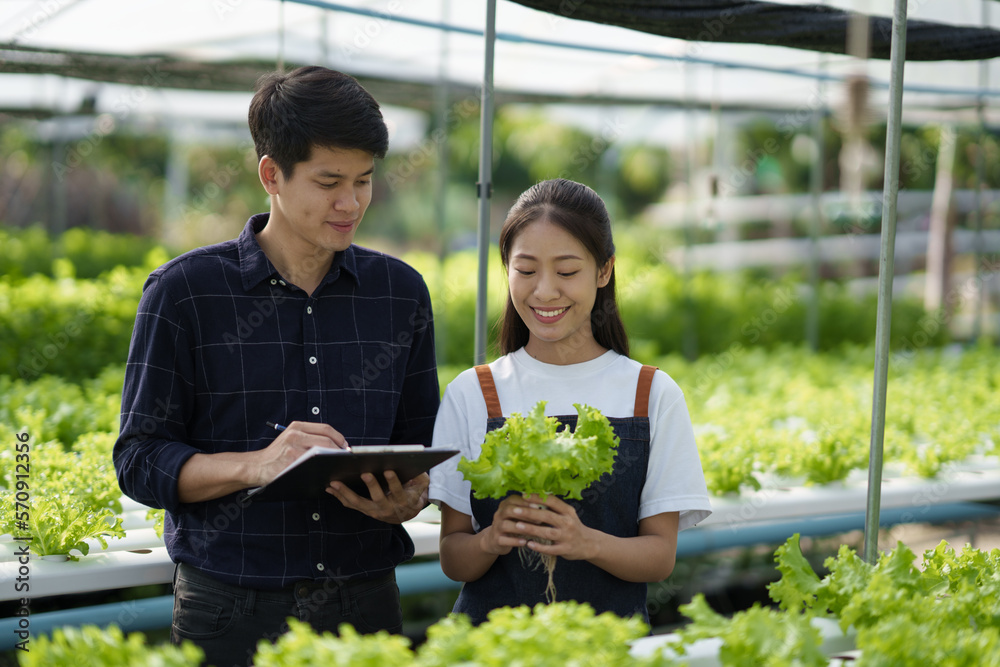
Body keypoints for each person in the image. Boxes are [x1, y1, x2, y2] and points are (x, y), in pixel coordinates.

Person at [113, 66, 439, 667]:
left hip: (365, 606)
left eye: (365, 180)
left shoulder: (400, 295)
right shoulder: (186, 293)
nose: (351, 202)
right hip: (230, 608)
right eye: (329, 181)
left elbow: (420, 443)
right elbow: (138, 460)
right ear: (271, 174)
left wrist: (411, 498)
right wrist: (257, 466)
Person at [428, 178, 711, 625]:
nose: (544, 292)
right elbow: (452, 556)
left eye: (566, 272)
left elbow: (660, 557)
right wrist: (490, 540)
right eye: (525, 271)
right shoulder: (474, 391)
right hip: (494, 650)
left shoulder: (651, 394)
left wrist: (585, 542)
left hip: (608, 649)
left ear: (604, 271)